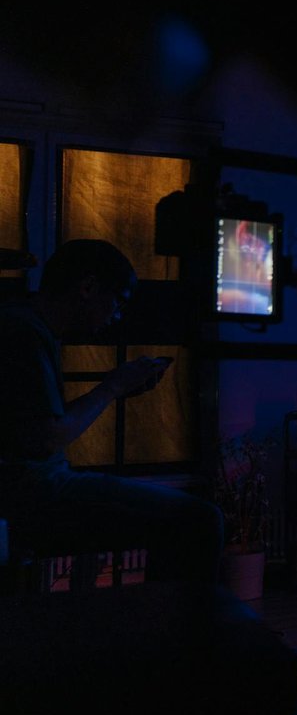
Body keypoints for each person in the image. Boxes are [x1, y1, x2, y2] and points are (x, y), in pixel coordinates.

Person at [0, 238, 223, 584]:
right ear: (88, 287)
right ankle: (179, 630)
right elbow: (47, 438)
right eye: (117, 303)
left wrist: (114, 388)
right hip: (35, 494)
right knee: (200, 520)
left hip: (34, 487)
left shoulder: (29, 326)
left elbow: (42, 425)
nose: (116, 317)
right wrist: (112, 387)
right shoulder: (24, 332)